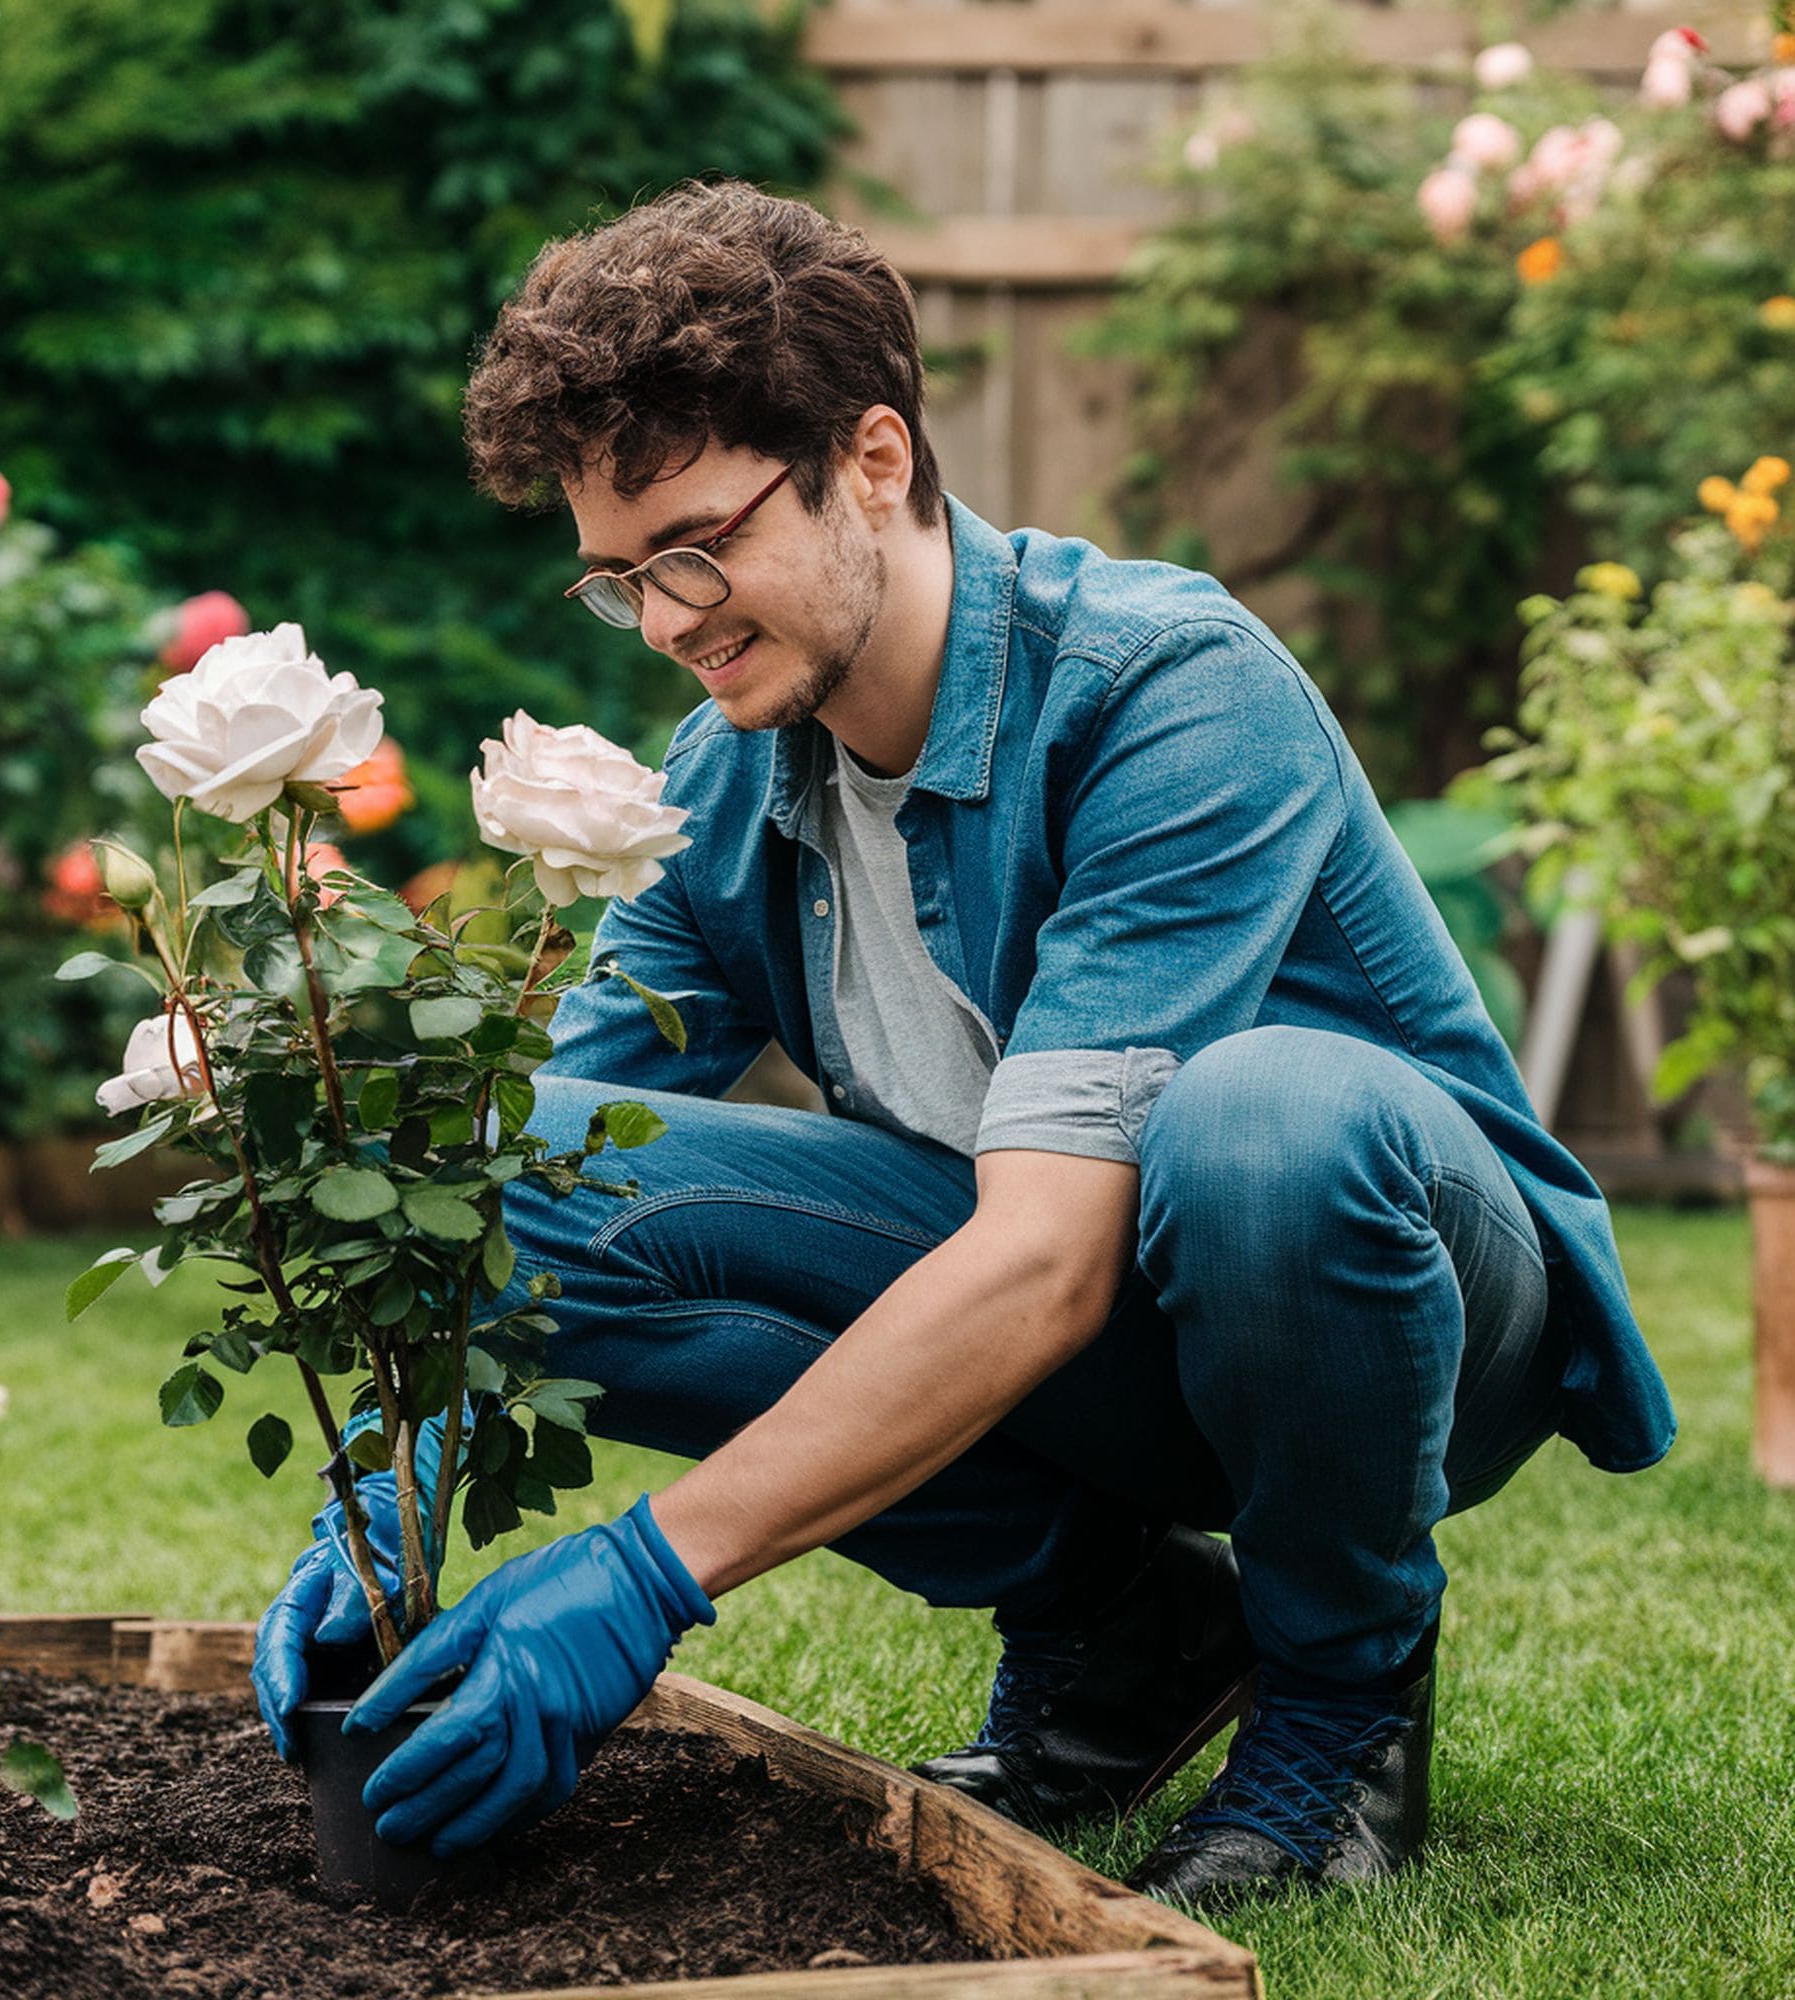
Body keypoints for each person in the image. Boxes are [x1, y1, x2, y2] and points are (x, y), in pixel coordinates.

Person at [251, 180, 1675, 1910]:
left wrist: (647, 1574)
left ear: (871, 458)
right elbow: (537, 1178)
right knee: (517, 1183)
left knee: (1260, 1122)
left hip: (1394, 1304)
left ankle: (1341, 1696)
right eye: (619, 580)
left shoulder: (1167, 689)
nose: (671, 618)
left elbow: (1048, 1261)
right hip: (1087, 1341)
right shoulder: (716, 790)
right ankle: (1120, 1626)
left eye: (699, 546)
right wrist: (397, 1468)